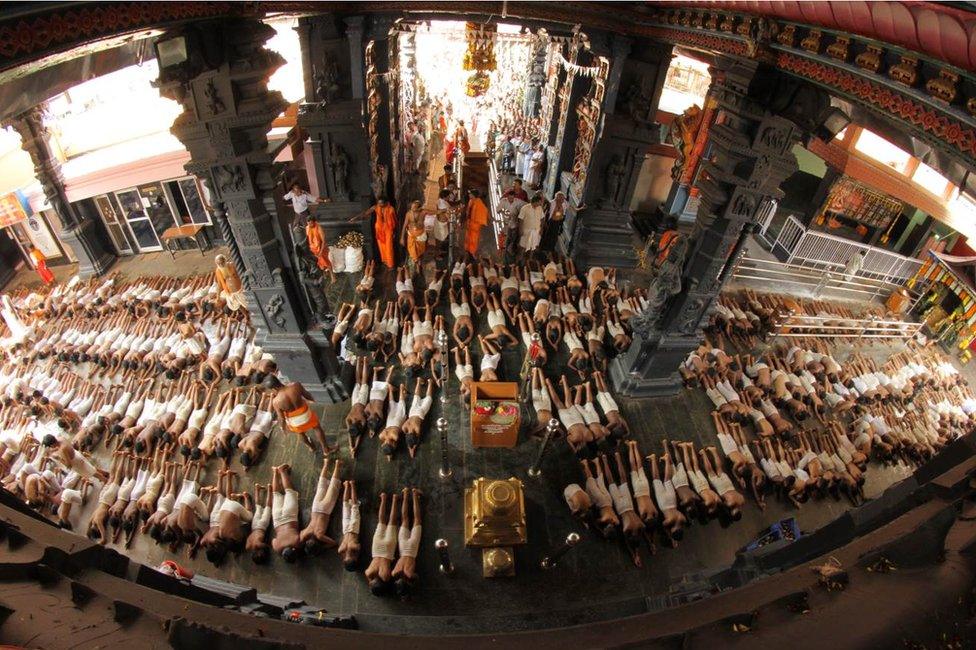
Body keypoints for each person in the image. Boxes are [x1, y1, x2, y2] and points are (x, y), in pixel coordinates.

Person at [350, 196, 397, 270]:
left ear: (386, 203)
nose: (380, 205)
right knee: (382, 247)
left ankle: (391, 265)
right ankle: (385, 261)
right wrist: (355, 218)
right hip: (379, 230)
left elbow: (394, 221)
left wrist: (394, 232)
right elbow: (366, 213)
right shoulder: (376, 207)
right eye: (379, 203)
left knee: (389, 247)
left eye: (381, 203)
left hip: (388, 230)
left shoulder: (391, 209)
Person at [270, 464, 301, 563]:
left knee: (289, 491)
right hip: (277, 520)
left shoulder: (296, 543)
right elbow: (273, 540)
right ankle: (275, 472)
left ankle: (282, 471)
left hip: (290, 516)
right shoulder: (277, 547)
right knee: (276, 494)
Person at [401, 200, 430, 268]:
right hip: (411, 235)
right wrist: (402, 238)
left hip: (421, 234)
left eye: (414, 207)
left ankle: (418, 260)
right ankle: (416, 263)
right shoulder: (408, 214)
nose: (412, 209)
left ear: (419, 208)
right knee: (412, 251)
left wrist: (444, 210)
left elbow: (435, 212)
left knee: (421, 250)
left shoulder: (423, 212)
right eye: (411, 207)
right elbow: (405, 225)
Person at [464, 189, 489, 256]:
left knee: (474, 238)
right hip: (470, 222)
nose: (469, 195)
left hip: (475, 224)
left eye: (470, 194)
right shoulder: (471, 201)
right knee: (468, 237)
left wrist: (478, 221)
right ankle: (468, 250)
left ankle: (472, 252)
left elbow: (484, 211)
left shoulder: (479, 202)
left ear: (473, 195)